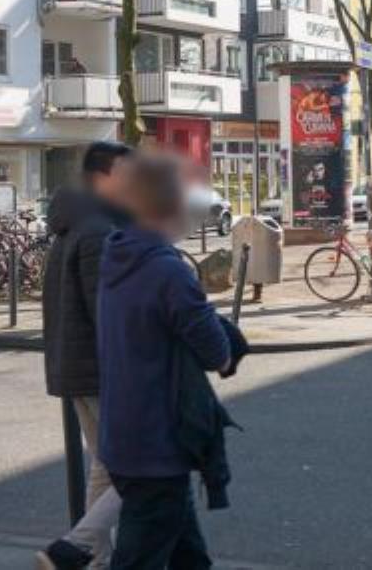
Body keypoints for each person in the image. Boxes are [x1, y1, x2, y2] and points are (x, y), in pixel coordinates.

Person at [97, 153, 243, 570]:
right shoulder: (168, 271)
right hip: (157, 444)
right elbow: (217, 351)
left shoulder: (116, 255)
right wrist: (226, 344)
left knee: (188, 555)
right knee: (139, 558)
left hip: (124, 433)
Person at [38, 142, 132, 570]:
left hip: (77, 367)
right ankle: (75, 547)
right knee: (141, 467)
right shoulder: (97, 230)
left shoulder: (76, 225)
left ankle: (95, 558)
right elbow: (106, 312)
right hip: (100, 371)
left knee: (106, 465)